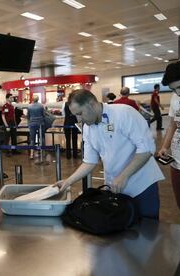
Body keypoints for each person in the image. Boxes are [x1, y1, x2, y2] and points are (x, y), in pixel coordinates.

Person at [55, 89, 164, 219]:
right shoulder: (87, 128)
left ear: (91, 104)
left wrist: (124, 176)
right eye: (75, 115)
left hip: (142, 185)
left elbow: (146, 149)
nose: (79, 119)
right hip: (116, 188)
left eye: (80, 113)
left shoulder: (123, 113)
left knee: (148, 229)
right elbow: (89, 161)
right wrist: (68, 182)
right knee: (123, 230)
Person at [158, 60, 180, 226]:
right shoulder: (175, 98)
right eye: (174, 89)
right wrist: (165, 146)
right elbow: (173, 124)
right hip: (177, 165)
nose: (178, 92)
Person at [27, 95, 45, 159]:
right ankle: (42, 152)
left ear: (32, 99)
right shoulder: (41, 106)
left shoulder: (29, 106)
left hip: (32, 124)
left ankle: (31, 154)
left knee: (32, 139)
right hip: (40, 123)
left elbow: (28, 116)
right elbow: (43, 115)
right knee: (42, 137)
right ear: (38, 99)